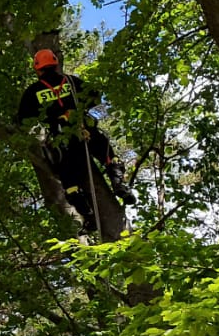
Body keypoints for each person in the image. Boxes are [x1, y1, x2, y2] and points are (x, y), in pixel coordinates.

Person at [17, 49, 136, 231]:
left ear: (38, 69)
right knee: (106, 151)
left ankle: (88, 214)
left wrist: (49, 118)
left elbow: (23, 119)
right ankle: (118, 183)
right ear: (55, 64)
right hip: (85, 130)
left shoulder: (33, 91)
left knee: (67, 175)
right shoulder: (71, 81)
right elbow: (94, 97)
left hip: (61, 139)